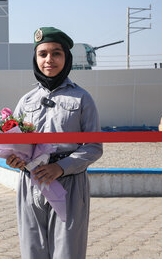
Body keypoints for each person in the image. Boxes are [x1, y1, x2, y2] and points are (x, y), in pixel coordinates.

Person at [6, 26, 103, 259]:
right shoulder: (25, 101)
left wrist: (61, 167)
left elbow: (93, 147)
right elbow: (14, 141)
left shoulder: (82, 98)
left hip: (68, 185)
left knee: (67, 253)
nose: (49, 60)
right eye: (43, 54)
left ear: (66, 58)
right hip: (30, 184)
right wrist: (13, 158)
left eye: (56, 53)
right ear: (35, 58)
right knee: (32, 252)